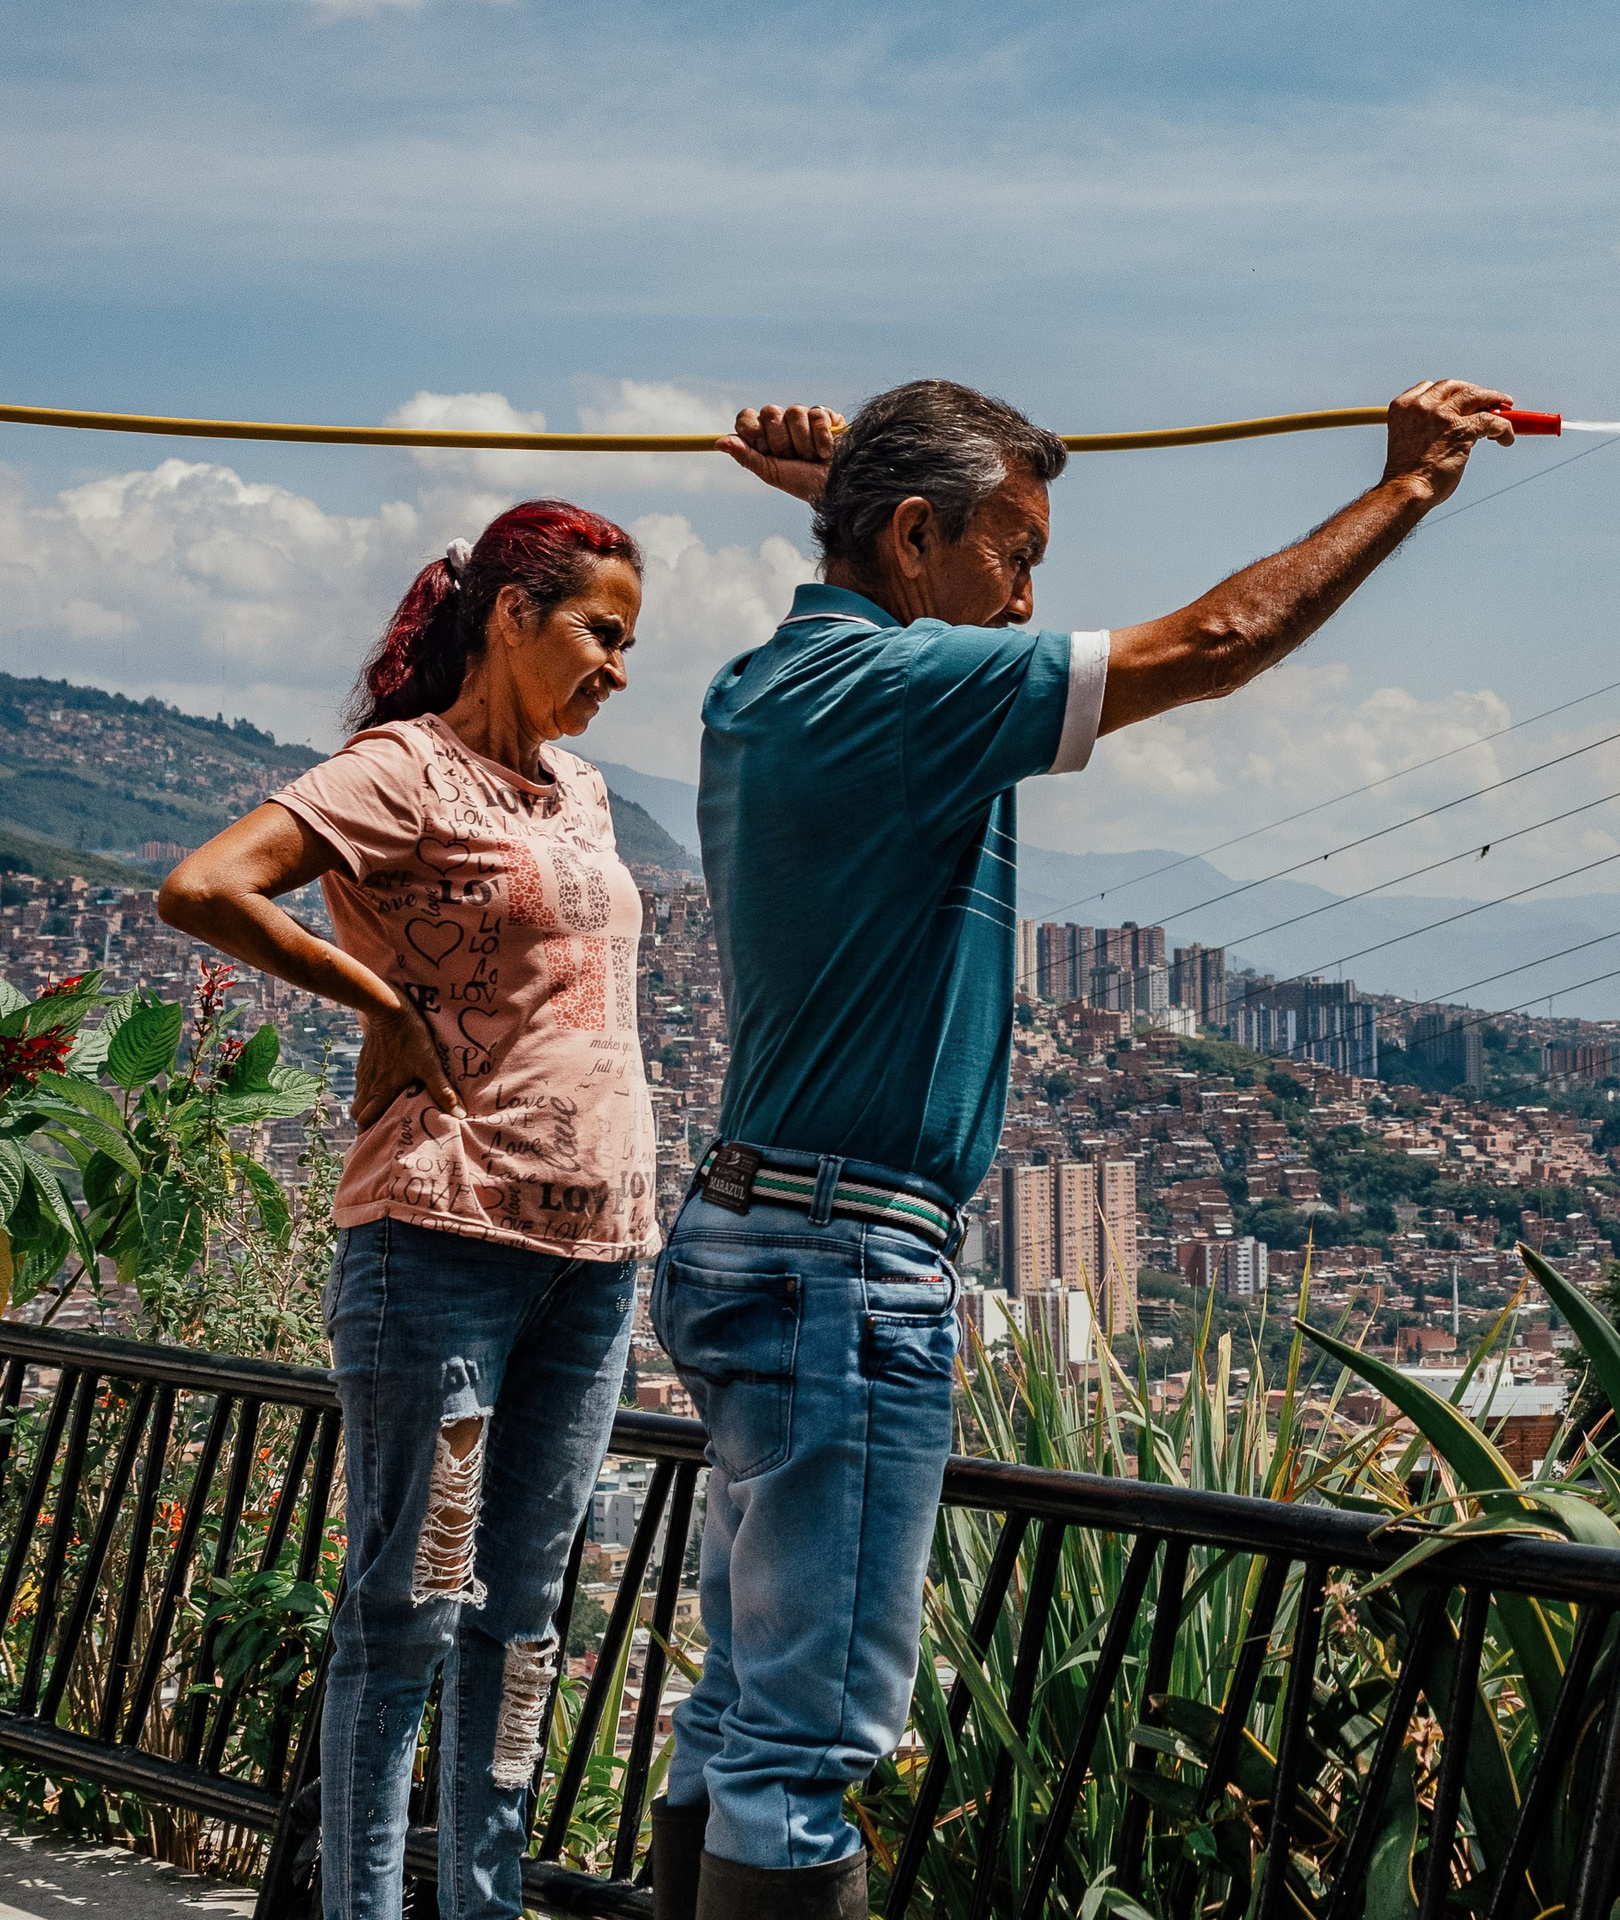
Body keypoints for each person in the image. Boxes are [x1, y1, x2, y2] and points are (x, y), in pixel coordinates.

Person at [651, 378, 1515, 1920]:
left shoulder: (767, 687)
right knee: (807, 1749)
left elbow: (898, 594)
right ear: (917, 537)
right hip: (844, 1265)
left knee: (737, 1716)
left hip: (743, 1238)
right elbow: (1216, 644)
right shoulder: (906, 696)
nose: (1034, 597)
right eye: (1015, 551)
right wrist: (1412, 491)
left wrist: (842, 511)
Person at [158, 500, 664, 1920]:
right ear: (514, 614)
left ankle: (482, 1904)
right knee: (409, 1613)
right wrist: (371, 998)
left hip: (597, 1258)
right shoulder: (401, 772)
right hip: (442, 1243)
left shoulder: (585, 792)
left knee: (523, 1623)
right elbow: (206, 887)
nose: (619, 668)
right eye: (602, 633)